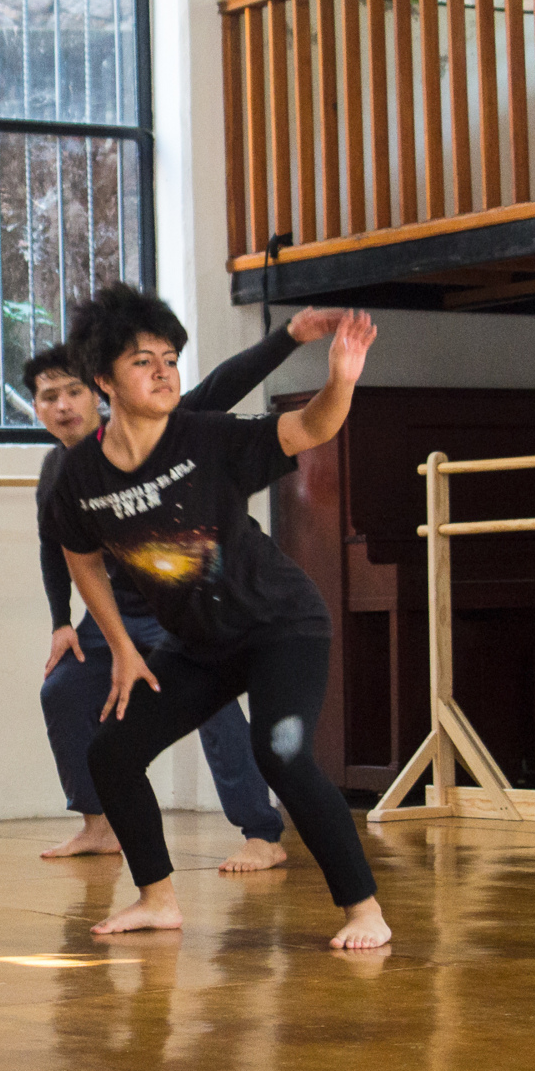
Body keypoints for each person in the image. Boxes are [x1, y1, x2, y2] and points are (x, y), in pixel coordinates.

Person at [47, 284, 392, 949]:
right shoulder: (82, 476)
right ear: (104, 381)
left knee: (281, 755)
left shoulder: (206, 437)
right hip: (199, 644)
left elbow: (310, 428)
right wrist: (122, 646)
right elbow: (80, 554)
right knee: (112, 752)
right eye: (143, 361)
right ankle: (157, 900)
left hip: (279, 624)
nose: (163, 372)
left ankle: (364, 908)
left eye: (170, 360)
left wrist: (341, 381)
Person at [29, 310, 338, 866]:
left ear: (100, 390)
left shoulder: (164, 426)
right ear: (36, 407)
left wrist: (289, 337)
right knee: (63, 690)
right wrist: (61, 622)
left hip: (181, 606)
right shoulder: (60, 471)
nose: (63, 406)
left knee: (211, 708)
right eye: (49, 397)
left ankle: (260, 832)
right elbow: (60, 550)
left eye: (73, 392)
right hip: (115, 612)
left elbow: (226, 383)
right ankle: (99, 824)